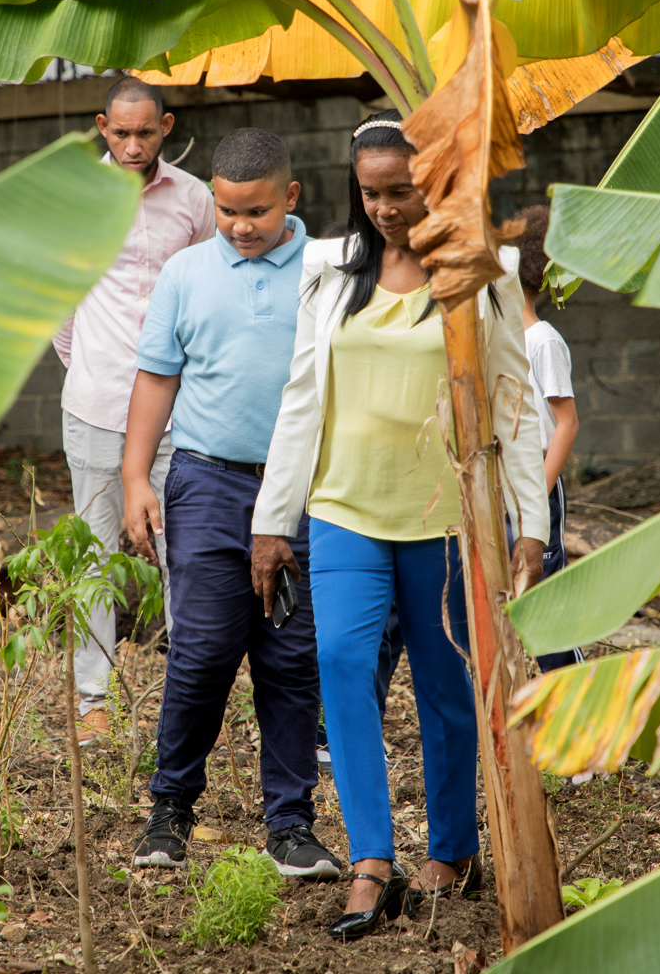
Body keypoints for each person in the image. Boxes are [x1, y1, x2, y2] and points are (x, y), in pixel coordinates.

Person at [250, 112, 549, 940]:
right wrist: (271, 522)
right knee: (343, 661)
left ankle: (452, 851)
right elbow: (301, 396)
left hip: (443, 515)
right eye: (371, 192)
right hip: (344, 508)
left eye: (402, 192)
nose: (385, 208)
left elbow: (515, 405)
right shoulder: (327, 269)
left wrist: (527, 523)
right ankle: (371, 859)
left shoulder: (481, 273)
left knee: (446, 688)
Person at [120, 129, 342, 880]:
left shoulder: (330, 271)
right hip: (208, 482)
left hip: (307, 487)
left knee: (290, 657)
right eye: (225, 211)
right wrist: (135, 478)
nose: (240, 226)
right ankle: (170, 811)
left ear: (290, 197)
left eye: (255, 211)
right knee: (203, 653)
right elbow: (156, 377)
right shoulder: (185, 272)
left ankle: (290, 825)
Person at [53, 77, 216, 744]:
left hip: (182, 414)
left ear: (166, 127)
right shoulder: (76, 198)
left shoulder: (196, 200)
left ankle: (187, 699)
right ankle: (94, 702)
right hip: (95, 406)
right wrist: (95, 370)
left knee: (188, 556)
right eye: (119, 133)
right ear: (101, 126)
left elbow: (213, 289)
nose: (131, 144)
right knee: (93, 556)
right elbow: (58, 304)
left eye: (144, 132)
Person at [512, 206, 584, 672]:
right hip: (496, 479)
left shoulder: (543, 341)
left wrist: (536, 491)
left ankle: (578, 703)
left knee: (544, 600)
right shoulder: (483, 338)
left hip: (535, 478)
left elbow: (567, 422)